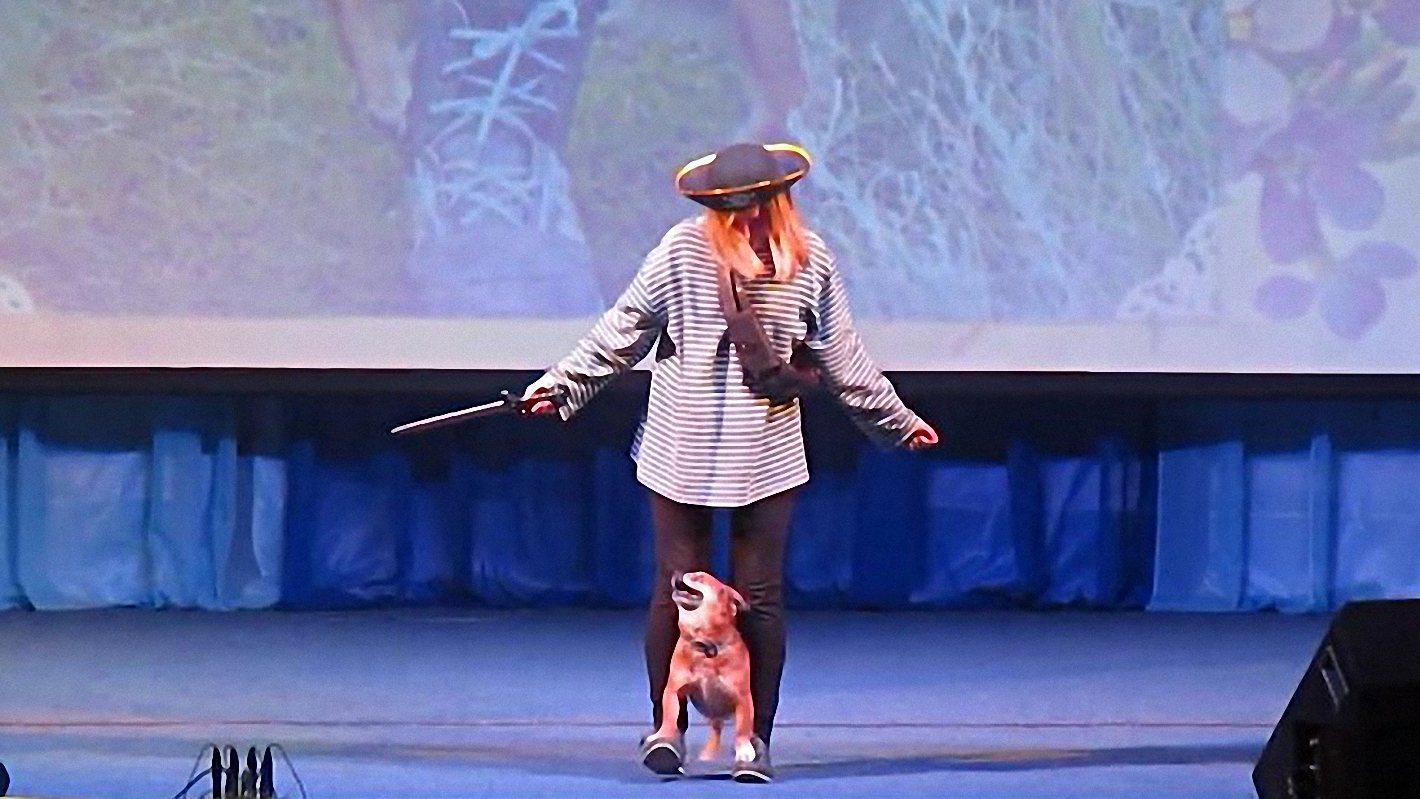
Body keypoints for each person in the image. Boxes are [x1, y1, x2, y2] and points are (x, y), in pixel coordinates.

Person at [522, 142, 938, 782]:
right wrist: (560, 386)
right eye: (730, 207)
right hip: (681, 440)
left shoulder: (810, 259)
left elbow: (841, 355)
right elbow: (623, 328)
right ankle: (666, 729)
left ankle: (754, 740)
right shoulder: (682, 251)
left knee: (760, 597)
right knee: (677, 591)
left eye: (754, 204)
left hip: (765, 447)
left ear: (778, 199)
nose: (743, 217)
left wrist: (897, 420)